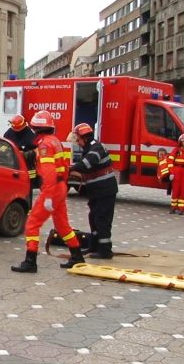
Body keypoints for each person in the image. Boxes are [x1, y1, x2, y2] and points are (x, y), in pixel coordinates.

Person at [12, 110, 84, 273]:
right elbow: (64, 167)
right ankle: (77, 256)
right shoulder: (55, 141)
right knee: (62, 224)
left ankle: (30, 261)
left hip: (51, 189)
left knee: (32, 224)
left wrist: (49, 196)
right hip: (60, 188)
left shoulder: (44, 145)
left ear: (37, 129)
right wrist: (60, 189)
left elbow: (49, 172)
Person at [68, 123, 118, 259]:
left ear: (84, 137)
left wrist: (69, 169)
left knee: (102, 219)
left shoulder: (96, 148)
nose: (77, 142)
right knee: (94, 218)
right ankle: (94, 246)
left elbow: (86, 165)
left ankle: (105, 251)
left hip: (105, 191)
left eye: (78, 138)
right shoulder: (89, 147)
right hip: (97, 191)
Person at [167, 134, 184, 214]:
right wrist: (171, 172)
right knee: (175, 189)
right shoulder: (176, 150)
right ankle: (173, 207)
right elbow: (170, 161)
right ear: (180, 142)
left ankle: (181, 208)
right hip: (176, 170)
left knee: (183, 190)